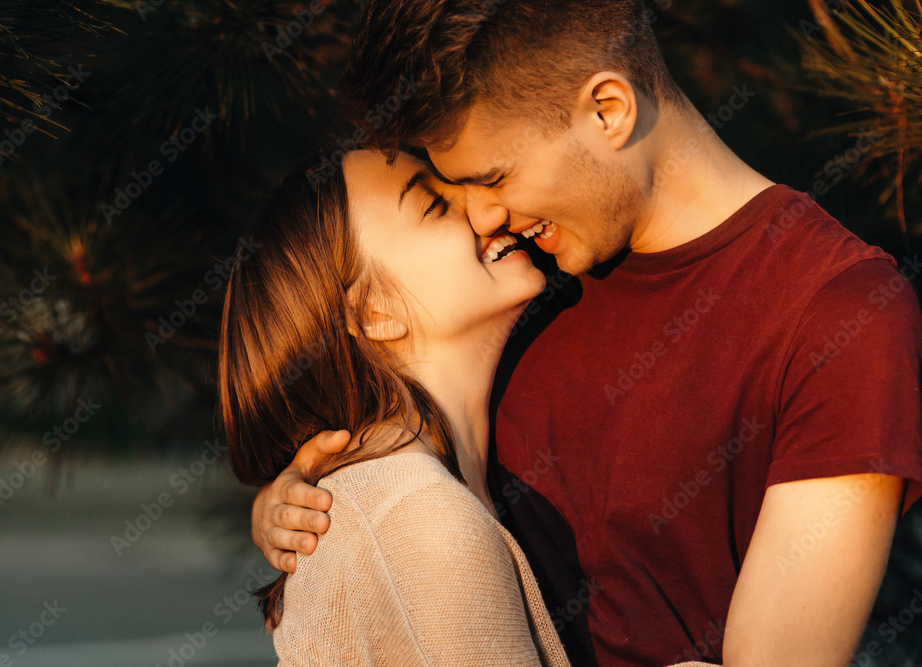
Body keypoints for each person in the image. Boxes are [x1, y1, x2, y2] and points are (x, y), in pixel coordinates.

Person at [250, 1, 922, 666]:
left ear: (608, 109)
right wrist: (312, 506)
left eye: (494, 179)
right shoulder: (518, 279)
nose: (483, 217)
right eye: (452, 193)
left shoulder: (841, 314)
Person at [218, 148, 579, 665]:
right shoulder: (421, 521)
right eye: (434, 206)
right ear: (372, 312)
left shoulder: (419, 497)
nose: (484, 208)